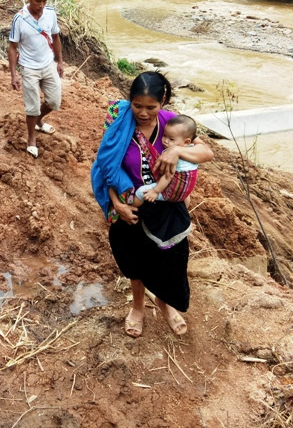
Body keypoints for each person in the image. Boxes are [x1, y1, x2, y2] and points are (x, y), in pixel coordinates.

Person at [91, 71, 214, 338]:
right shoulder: (118, 119)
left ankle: (164, 303)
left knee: (170, 260)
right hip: (129, 204)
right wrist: (117, 204)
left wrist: (177, 150)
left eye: (151, 107)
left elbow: (206, 153)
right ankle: (137, 307)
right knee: (134, 259)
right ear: (130, 101)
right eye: (137, 106)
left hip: (166, 208)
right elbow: (107, 166)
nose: (143, 113)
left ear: (163, 102)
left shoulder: (175, 125)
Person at [8, 0, 64, 158]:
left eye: (44, 1)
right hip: (29, 67)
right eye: (37, 1)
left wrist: (60, 61)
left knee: (54, 101)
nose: (41, 6)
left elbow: (55, 37)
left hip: (48, 64)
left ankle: (39, 120)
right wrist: (14, 74)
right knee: (32, 107)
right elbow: (12, 47)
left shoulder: (51, 14)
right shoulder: (20, 18)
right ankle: (31, 137)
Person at [132, 114, 201, 207]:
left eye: (171, 139)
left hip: (171, 192)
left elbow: (168, 176)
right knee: (186, 197)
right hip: (184, 192)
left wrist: (155, 191)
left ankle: (133, 210)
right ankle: (185, 211)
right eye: (164, 136)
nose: (166, 141)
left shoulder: (174, 157)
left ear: (186, 142)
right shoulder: (192, 150)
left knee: (141, 192)